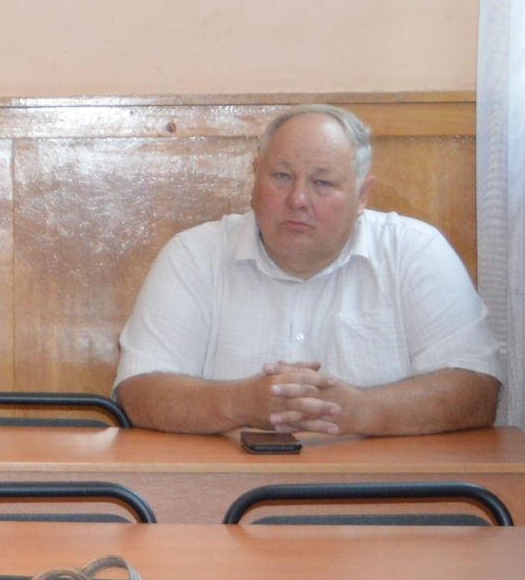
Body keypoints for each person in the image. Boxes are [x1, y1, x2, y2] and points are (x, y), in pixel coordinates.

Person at [116, 104, 502, 436]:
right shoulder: (195, 255)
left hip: (380, 490)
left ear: (362, 196)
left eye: (323, 182)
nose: (298, 199)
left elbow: (476, 390)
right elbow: (139, 393)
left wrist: (361, 410)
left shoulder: (414, 251)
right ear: (255, 176)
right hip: (226, 490)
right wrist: (239, 403)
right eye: (282, 177)